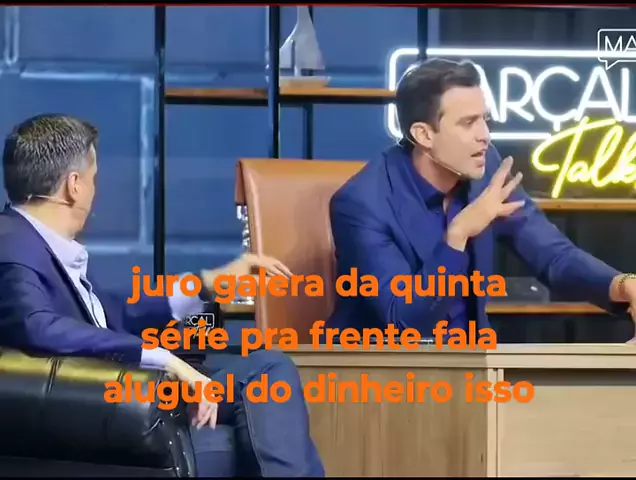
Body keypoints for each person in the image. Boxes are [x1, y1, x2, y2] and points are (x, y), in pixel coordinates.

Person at [0, 114, 325, 478]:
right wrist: (163, 359)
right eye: (93, 178)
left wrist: (205, 284)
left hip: (122, 393)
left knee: (267, 371)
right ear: (74, 186)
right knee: (268, 398)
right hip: (106, 406)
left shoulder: (31, 241)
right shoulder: (12, 246)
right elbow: (37, 327)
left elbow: (109, 312)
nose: (94, 191)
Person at [328, 58, 636, 340]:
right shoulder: (362, 204)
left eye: (485, 120)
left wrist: (622, 285)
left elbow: (552, 255)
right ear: (424, 135)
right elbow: (403, 321)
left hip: (472, 362)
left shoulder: (485, 168)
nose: (485, 135)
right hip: (382, 369)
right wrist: (457, 236)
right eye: (468, 123)